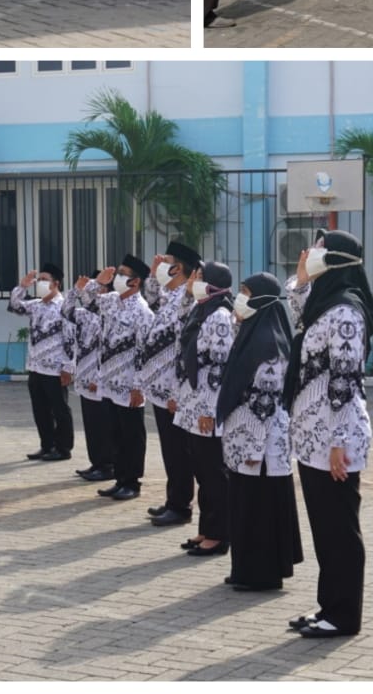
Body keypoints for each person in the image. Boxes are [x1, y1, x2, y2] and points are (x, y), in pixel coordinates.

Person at [284, 230, 373, 638]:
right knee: (324, 527)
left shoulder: (346, 313)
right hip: (312, 434)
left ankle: (343, 614)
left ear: (338, 259)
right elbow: (295, 299)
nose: (312, 253)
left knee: (340, 529)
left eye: (320, 248)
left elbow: (345, 378)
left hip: (335, 438)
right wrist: (303, 276)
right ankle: (328, 605)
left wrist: (338, 442)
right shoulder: (325, 304)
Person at [216, 272, 303, 592]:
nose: (240, 298)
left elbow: (264, 404)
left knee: (259, 511)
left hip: (260, 448)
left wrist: (252, 451)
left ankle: (262, 574)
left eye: (245, 292)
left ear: (262, 299)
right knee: (244, 508)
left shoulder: (269, 344)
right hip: (244, 443)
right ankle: (245, 569)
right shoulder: (251, 334)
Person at [174, 260, 236, 557]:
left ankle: (220, 534)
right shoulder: (201, 310)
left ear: (214, 283)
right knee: (202, 471)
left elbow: (219, 369)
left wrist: (209, 411)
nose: (194, 280)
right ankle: (206, 528)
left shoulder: (220, 316)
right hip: (192, 403)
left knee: (213, 473)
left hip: (207, 408)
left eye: (199, 276)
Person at [138, 242, 200, 527]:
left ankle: (181, 505)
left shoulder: (186, 299)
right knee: (169, 449)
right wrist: (153, 273)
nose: (163, 263)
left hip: (173, 390)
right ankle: (173, 499)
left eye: (168, 261)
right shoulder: (172, 294)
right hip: (160, 388)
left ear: (179, 267)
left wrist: (177, 391)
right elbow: (151, 298)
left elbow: (182, 349)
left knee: (178, 451)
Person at [82, 255, 154, 500]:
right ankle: (119, 478)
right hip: (108, 382)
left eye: (123, 274)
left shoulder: (142, 311)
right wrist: (96, 282)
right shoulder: (111, 301)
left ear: (135, 282)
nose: (118, 278)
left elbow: (145, 352)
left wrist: (138, 387)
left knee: (132, 435)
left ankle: (132, 483)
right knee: (115, 433)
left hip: (129, 384)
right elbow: (86, 301)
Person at [8, 265, 75, 462]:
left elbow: (71, 339)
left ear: (56, 284)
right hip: (36, 367)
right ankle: (47, 445)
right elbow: (15, 305)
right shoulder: (36, 305)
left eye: (45, 279)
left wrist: (68, 367)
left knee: (60, 409)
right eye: (40, 280)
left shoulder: (65, 308)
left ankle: (63, 448)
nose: (40, 283)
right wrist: (22, 286)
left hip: (55, 369)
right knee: (40, 409)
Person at [65, 273, 115, 483]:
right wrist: (76, 290)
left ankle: (107, 465)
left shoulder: (110, 314)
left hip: (99, 379)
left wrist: (98, 377)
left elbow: (107, 351)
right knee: (91, 425)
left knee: (104, 426)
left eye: (100, 288)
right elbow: (65, 311)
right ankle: (96, 462)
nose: (95, 293)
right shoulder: (85, 314)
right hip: (84, 378)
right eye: (94, 288)